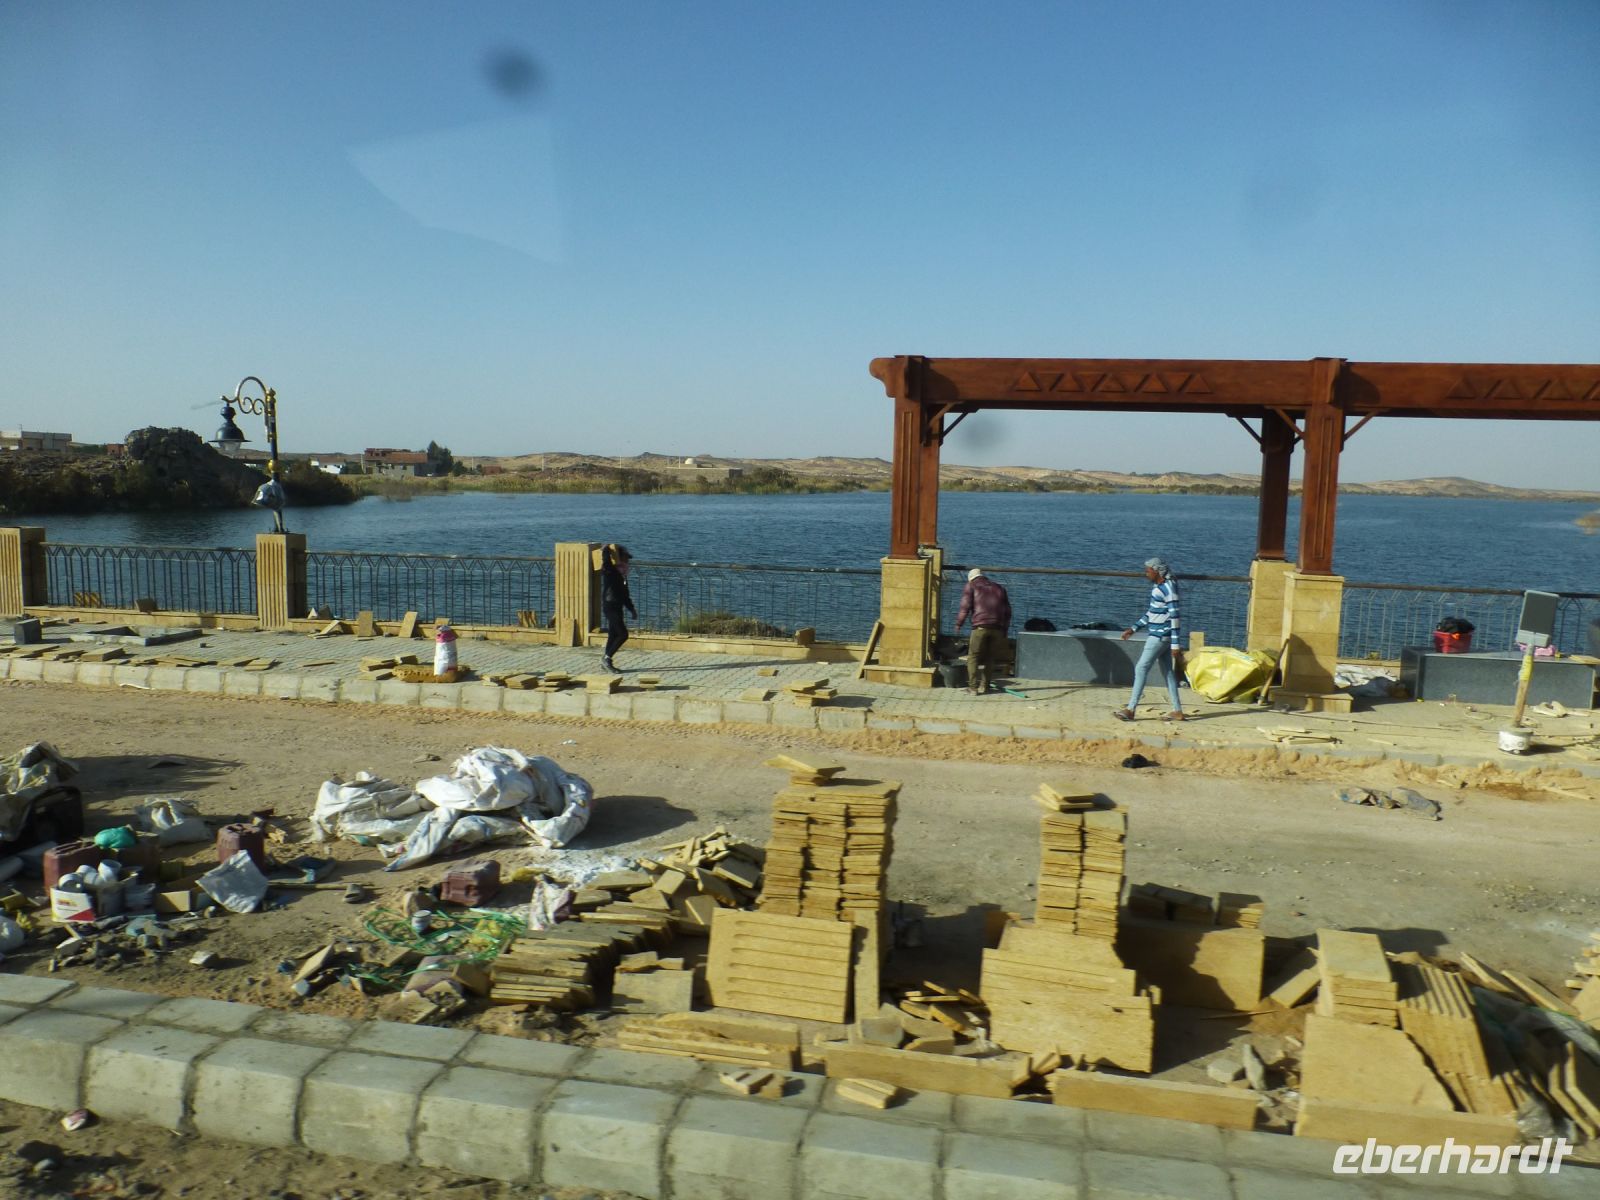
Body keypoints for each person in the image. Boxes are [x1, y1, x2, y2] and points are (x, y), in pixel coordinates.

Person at [1114, 557, 1185, 722]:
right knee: (1167, 673)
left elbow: (1175, 616)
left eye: (1148, 570)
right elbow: (1152, 612)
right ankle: (1177, 710)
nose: (1146, 573)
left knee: (1141, 668)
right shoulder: (1158, 587)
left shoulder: (1168, 588)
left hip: (1160, 636)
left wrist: (1176, 644)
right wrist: (1134, 628)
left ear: (1157, 571)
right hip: (1160, 635)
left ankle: (1131, 709)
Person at [954, 567, 1011, 695]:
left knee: (973, 657)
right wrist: (1005, 630)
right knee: (990, 658)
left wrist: (959, 624)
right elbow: (1008, 612)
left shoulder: (971, 586)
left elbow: (964, 608)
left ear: (971, 579)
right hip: (997, 628)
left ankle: (973, 688)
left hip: (980, 627)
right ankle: (985, 686)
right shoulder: (999, 588)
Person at [599, 543, 637, 673]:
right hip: (610, 605)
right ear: (619, 559)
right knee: (623, 634)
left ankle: (605, 661)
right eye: (626, 559)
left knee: (613, 634)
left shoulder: (622, 576)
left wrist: (631, 609)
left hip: (617, 606)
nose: (628, 562)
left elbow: (625, 595)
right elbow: (607, 563)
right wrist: (606, 551)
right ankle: (607, 658)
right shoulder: (611, 571)